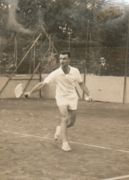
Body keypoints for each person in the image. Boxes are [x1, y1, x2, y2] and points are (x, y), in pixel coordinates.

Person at [24, 51, 92, 151]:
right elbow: (43, 83)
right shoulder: (55, 73)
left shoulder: (75, 71)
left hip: (72, 97)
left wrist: (89, 94)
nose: (62, 61)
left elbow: (81, 84)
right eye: (60, 59)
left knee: (71, 122)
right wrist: (30, 92)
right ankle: (65, 144)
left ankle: (59, 129)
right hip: (61, 97)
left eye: (64, 59)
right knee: (64, 118)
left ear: (69, 60)